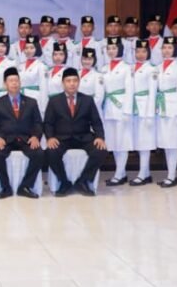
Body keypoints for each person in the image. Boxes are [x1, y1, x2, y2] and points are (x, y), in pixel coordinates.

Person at [44, 67, 106, 196]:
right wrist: (50, 137)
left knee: (101, 150)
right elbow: (48, 123)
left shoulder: (87, 100)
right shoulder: (54, 101)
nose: (72, 84)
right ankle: (64, 182)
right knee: (51, 152)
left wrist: (100, 137)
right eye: (68, 81)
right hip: (62, 138)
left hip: (83, 137)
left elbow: (96, 121)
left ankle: (83, 181)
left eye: (75, 80)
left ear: (78, 82)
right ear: (63, 83)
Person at [0, 66, 44, 199]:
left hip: (26, 139)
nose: (14, 83)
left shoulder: (31, 102)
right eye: (11, 81)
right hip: (5, 139)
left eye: (16, 81)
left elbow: (38, 123)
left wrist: (35, 136)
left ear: (20, 83)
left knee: (39, 154)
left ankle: (25, 186)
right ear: (5, 84)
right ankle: (6, 187)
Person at [101, 37, 133, 186]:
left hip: (121, 107)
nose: (111, 51)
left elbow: (130, 90)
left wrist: (127, 111)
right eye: (109, 48)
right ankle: (121, 172)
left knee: (122, 141)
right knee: (113, 141)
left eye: (114, 48)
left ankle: (119, 173)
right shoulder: (104, 68)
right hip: (108, 107)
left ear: (120, 49)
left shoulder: (126, 68)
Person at [154, 37, 177, 187]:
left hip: (173, 108)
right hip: (161, 108)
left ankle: (172, 176)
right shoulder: (158, 67)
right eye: (164, 47)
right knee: (166, 143)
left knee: (173, 143)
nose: (166, 50)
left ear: (175, 50)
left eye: (170, 48)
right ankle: (169, 175)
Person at [129, 40, 158, 186]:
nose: (140, 54)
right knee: (138, 141)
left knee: (145, 142)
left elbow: (153, 92)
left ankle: (142, 173)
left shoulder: (151, 69)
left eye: (144, 51)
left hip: (145, 107)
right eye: (138, 51)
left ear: (149, 53)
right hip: (133, 108)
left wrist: (150, 113)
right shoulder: (131, 67)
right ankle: (146, 173)